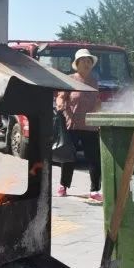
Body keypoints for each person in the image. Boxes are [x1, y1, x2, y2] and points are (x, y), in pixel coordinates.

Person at [55, 48, 103, 203]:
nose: (87, 63)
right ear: (77, 63)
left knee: (94, 159)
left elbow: (96, 101)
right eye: (84, 61)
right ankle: (63, 185)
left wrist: (99, 112)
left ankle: (94, 190)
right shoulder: (70, 79)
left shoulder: (94, 82)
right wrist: (61, 105)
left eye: (89, 61)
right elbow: (61, 98)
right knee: (69, 157)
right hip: (72, 126)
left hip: (91, 126)